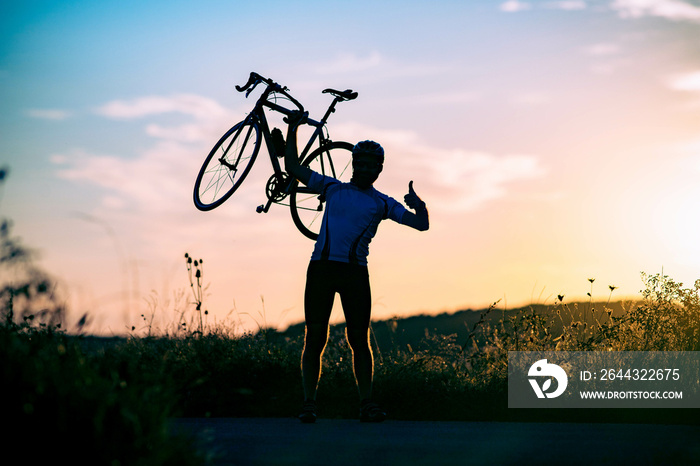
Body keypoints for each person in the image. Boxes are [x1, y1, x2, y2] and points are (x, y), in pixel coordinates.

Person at [283, 111, 429, 423]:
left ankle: (367, 405)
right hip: (321, 269)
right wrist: (294, 128)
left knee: (359, 340)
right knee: (315, 338)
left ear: (379, 169)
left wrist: (420, 205)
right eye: (359, 163)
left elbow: (421, 225)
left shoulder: (383, 202)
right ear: (353, 164)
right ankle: (309, 404)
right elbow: (293, 167)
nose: (363, 168)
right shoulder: (333, 188)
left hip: (354, 274)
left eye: (370, 165)